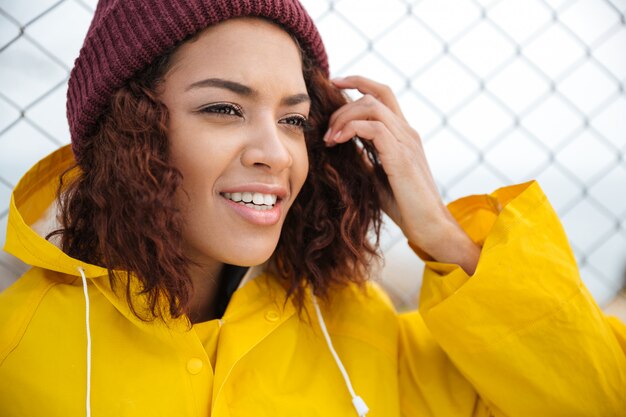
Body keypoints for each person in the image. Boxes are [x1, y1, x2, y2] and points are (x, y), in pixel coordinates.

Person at [0, 0, 625, 416]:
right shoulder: (16, 350)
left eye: (294, 118)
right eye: (223, 108)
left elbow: (594, 398)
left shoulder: (361, 332)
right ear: (128, 129)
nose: (276, 153)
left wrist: (442, 236)